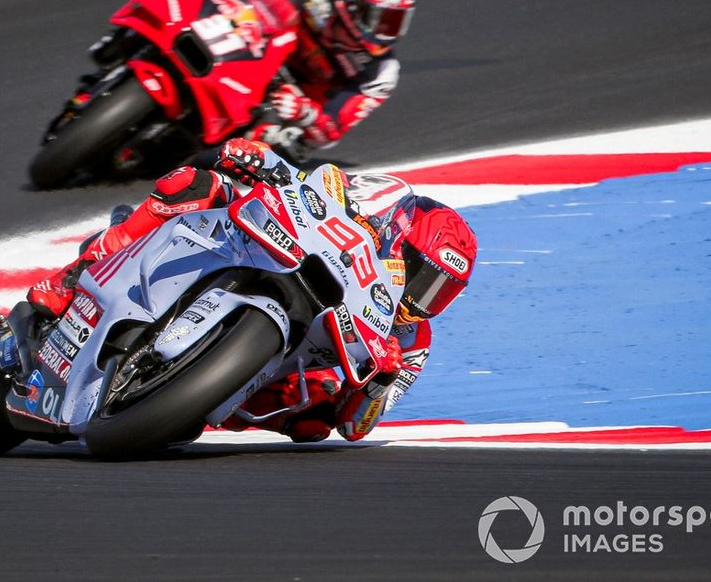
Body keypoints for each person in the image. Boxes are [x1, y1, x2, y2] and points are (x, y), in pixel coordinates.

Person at [28, 139, 477, 442]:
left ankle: (191, 397)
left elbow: (356, 427)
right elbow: (323, 186)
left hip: (286, 361)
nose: (423, 297)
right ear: (399, 239)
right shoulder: (379, 210)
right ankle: (74, 275)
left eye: (441, 290)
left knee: (315, 423)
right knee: (195, 184)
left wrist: (377, 385)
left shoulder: (412, 344)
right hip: (279, 253)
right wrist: (263, 160)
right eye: (423, 276)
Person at [154, 0, 416, 155]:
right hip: (252, 47)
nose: (384, 31)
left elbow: (331, 131)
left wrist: (304, 113)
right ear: (351, 0)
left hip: (285, 100)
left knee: (272, 146)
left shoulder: (381, 71)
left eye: (394, 21)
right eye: (379, 18)